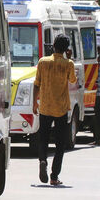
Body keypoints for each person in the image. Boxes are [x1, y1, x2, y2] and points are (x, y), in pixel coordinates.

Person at [32, 34, 78, 186]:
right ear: (66, 49)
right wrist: (69, 59)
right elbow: (73, 80)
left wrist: (34, 103)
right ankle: (54, 176)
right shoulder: (68, 64)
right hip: (61, 108)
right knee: (60, 144)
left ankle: (42, 160)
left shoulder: (43, 62)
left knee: (43, 139)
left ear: (53, 45)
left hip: (45, 107)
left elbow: (37, 83)